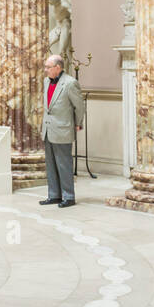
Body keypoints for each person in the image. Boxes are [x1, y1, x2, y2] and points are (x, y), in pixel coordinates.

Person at [39, 53, 85, 209]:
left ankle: (68, 196)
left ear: (57, 68)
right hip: (48, 128)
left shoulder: (71, 83)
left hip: (63, 129)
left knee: (64, 164)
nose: (45, 70)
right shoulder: (46, 81)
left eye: (48, 67)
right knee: (51, 164)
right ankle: (54, 195)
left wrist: (78, 123)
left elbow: (79, 106)